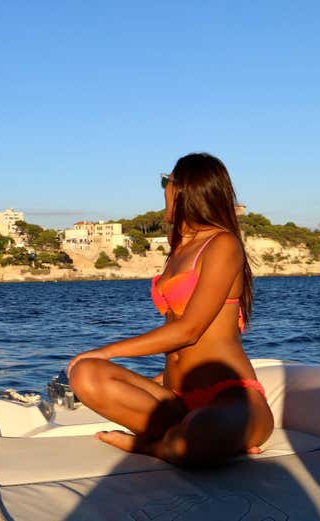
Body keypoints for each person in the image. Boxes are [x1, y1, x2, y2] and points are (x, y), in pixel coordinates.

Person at [68, 152, 273, 467]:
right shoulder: (177, 246)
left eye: (166, 181)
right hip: (178, 399)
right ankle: (188, 440)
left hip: (230, 398)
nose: (163, 189)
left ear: (183, 189)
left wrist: (108, 352)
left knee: (191, 438)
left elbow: (189, 331)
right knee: (83, 374)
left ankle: (153, 446)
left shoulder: (222, 244)